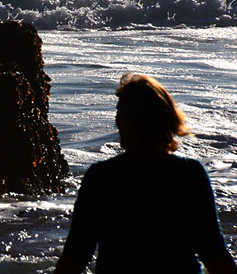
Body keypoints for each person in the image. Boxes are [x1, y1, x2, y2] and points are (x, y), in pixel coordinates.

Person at [54, 73, 237, 274]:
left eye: (121, 113)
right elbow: (214, 254)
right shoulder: (189, 174)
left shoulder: (102, 177)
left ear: (128, 122)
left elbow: (75, 257)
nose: (117, 120)